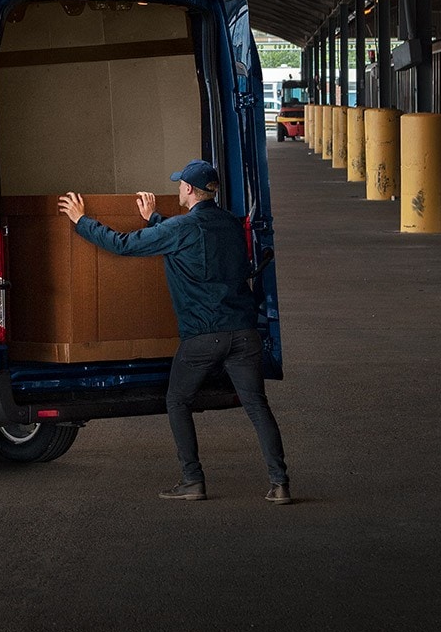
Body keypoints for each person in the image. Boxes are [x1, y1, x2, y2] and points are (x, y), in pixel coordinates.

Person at [55, 160, 291, 504]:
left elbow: (123, 244)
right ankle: (280, 482)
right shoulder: (230, 224)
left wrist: (81, 221)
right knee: (257, 406)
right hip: (244, 334)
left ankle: (192, 480)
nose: (178, 188)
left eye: (181, 184)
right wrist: (154, 219)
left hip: (203, 337)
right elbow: (196, 240)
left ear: (189, 191)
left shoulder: (181, 229)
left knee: (177, 400)